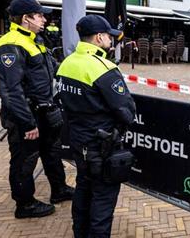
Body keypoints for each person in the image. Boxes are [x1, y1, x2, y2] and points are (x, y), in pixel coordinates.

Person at [0, 0, 74, 219]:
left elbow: (51, 69)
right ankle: (25, 204)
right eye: (40, 15)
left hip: (45, 112)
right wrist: (27, 123)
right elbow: (11, 91)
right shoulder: (10, 45)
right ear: (26, 18)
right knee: (25, 160)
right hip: (26, 116)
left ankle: (59, 189)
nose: (44, 19)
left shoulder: (35, 40)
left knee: (52, 152)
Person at [56, 15, 136, 238]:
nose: (112, 40)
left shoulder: (66, 63)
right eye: (109, 36)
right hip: (101, 146)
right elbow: (127, 111)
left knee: (82, 190)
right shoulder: (103, 68)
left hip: (78, 141)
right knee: (102, 201)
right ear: (99, 38)